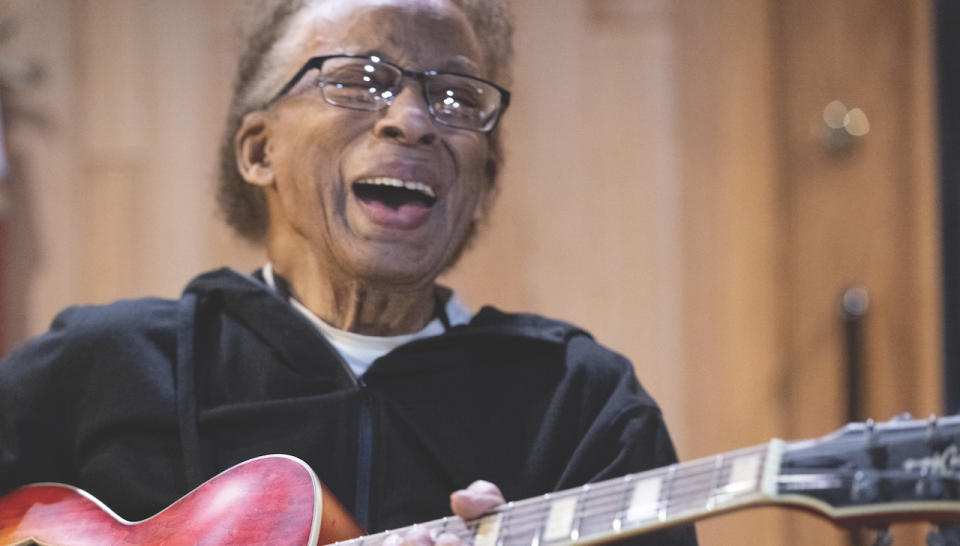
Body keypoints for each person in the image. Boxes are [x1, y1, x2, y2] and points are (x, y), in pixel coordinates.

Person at [0, 1, 696, 545]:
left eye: (456, 98)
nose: (414, 121)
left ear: (484, 181)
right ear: (258, 150)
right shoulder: (101, 365)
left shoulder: (582, 405)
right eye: (360, 81)